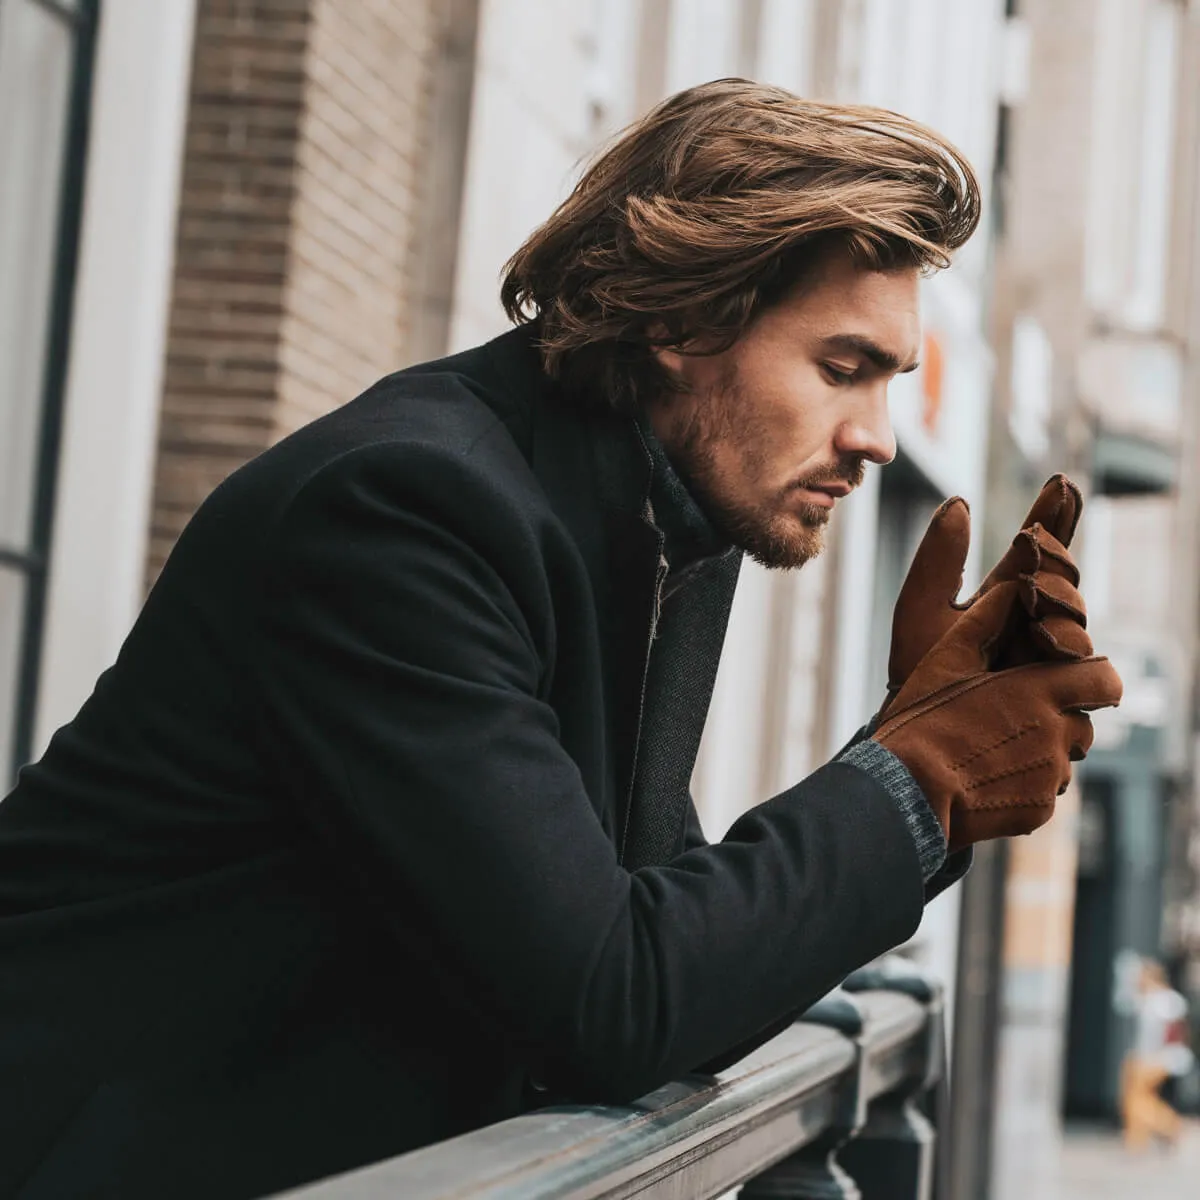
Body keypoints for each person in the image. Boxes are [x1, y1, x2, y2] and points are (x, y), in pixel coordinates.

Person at [0, 80, 1121, 1199]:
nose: (876, 440)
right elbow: (612, 998)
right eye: (842, 368)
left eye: (890, 380)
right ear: (685, 320)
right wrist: (918, 782)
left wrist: (920, 745)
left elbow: (673, 934)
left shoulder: (653, 515)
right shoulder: (403, 512)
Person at [1120, 958, 1193, 1150]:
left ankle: (1170, 1125)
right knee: (1134, 1098)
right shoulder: (1146, 999)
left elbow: (1175, 1031)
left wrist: (1158, 1055)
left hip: (1158, 1057)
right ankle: (1137, 1138)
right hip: (1143, 1056)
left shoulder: (1167, 1001)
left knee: (1137, 1099)